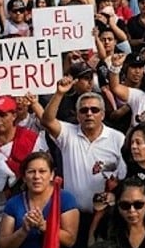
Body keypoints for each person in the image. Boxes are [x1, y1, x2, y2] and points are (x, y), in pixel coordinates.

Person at [39, 77, 126, 227]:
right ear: (78, 115)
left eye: (94, 110)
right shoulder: (67, 134)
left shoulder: (118, 138)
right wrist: (59, 94)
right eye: (84, 110)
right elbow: (47, 121)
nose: (89, 114)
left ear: (103, 114)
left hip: (106, 215)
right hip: (72, 216)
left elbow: (122, 174)